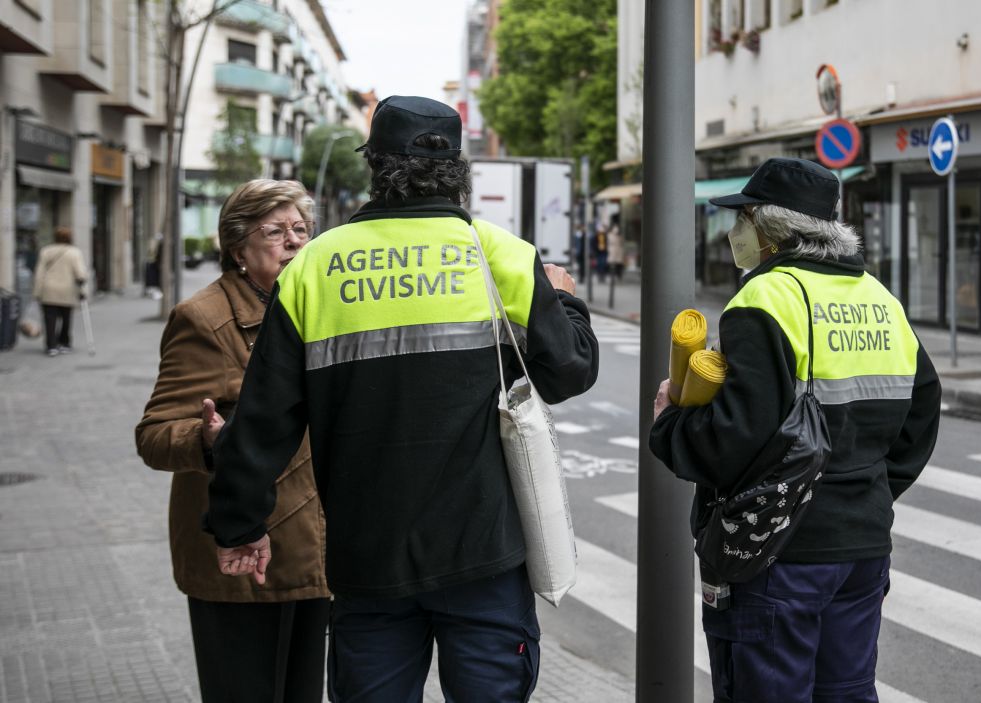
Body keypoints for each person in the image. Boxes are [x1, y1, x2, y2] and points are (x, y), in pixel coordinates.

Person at [204, 96, 599, 702]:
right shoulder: (500, 255)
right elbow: (570, 373)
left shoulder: (314, 268)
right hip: (483, 558)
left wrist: (239, 525)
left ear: (374, 165)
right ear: (459, 170)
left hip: (368, 561)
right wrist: (564, 299)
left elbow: (263, 421)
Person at [649, 157, 941, 702]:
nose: (736, 232)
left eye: (743, 220)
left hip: (778, 553)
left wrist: (670, 422)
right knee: (848, 693)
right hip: (862, 548)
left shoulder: (765, 300)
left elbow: (730, 443)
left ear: (768, 229)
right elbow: (921, 416)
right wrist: (865, 490)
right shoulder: (881, 300)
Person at [135, 180, 330, 702]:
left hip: (313, 551)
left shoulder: (315, 309)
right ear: (238, 247)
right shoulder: (205, 319)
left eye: (301, 229)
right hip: (244, 550)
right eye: (276, 231)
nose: (294, 242)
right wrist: (211, 442)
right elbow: (154, 436)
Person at [32, 226, 87, 357]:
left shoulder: (46, 251)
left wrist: (37, 292)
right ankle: (64, 342)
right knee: (66, 318)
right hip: (67, 289)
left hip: (48, 289)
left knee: (49, 319)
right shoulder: (74, 252)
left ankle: (51, 345)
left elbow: (39, 273)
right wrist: (83, 288)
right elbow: (80, 274)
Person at [606, 214, 624, 280]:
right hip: (615, 248)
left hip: (615, 248)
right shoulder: (616, 229)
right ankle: (616, 275)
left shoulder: (612, 229)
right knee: (616, 263)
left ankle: (616, 275)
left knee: (615, 263)